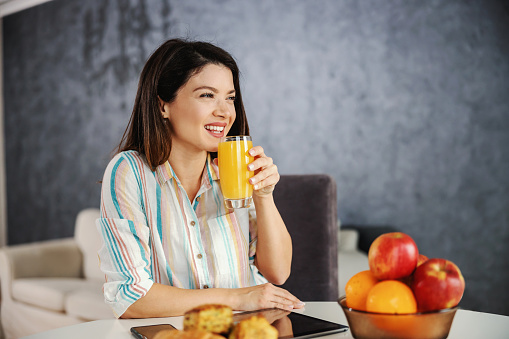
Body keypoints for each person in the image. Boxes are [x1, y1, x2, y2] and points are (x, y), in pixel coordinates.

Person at [96, 38, 303, 319]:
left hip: (247, 330)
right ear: (162, 106)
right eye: (207, 95)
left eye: (230, 97)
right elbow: (131, 298)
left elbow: (278, 272)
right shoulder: (129, 172)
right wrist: (237, 298)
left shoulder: (234, 168)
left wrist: (264, 196)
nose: (225, 111)